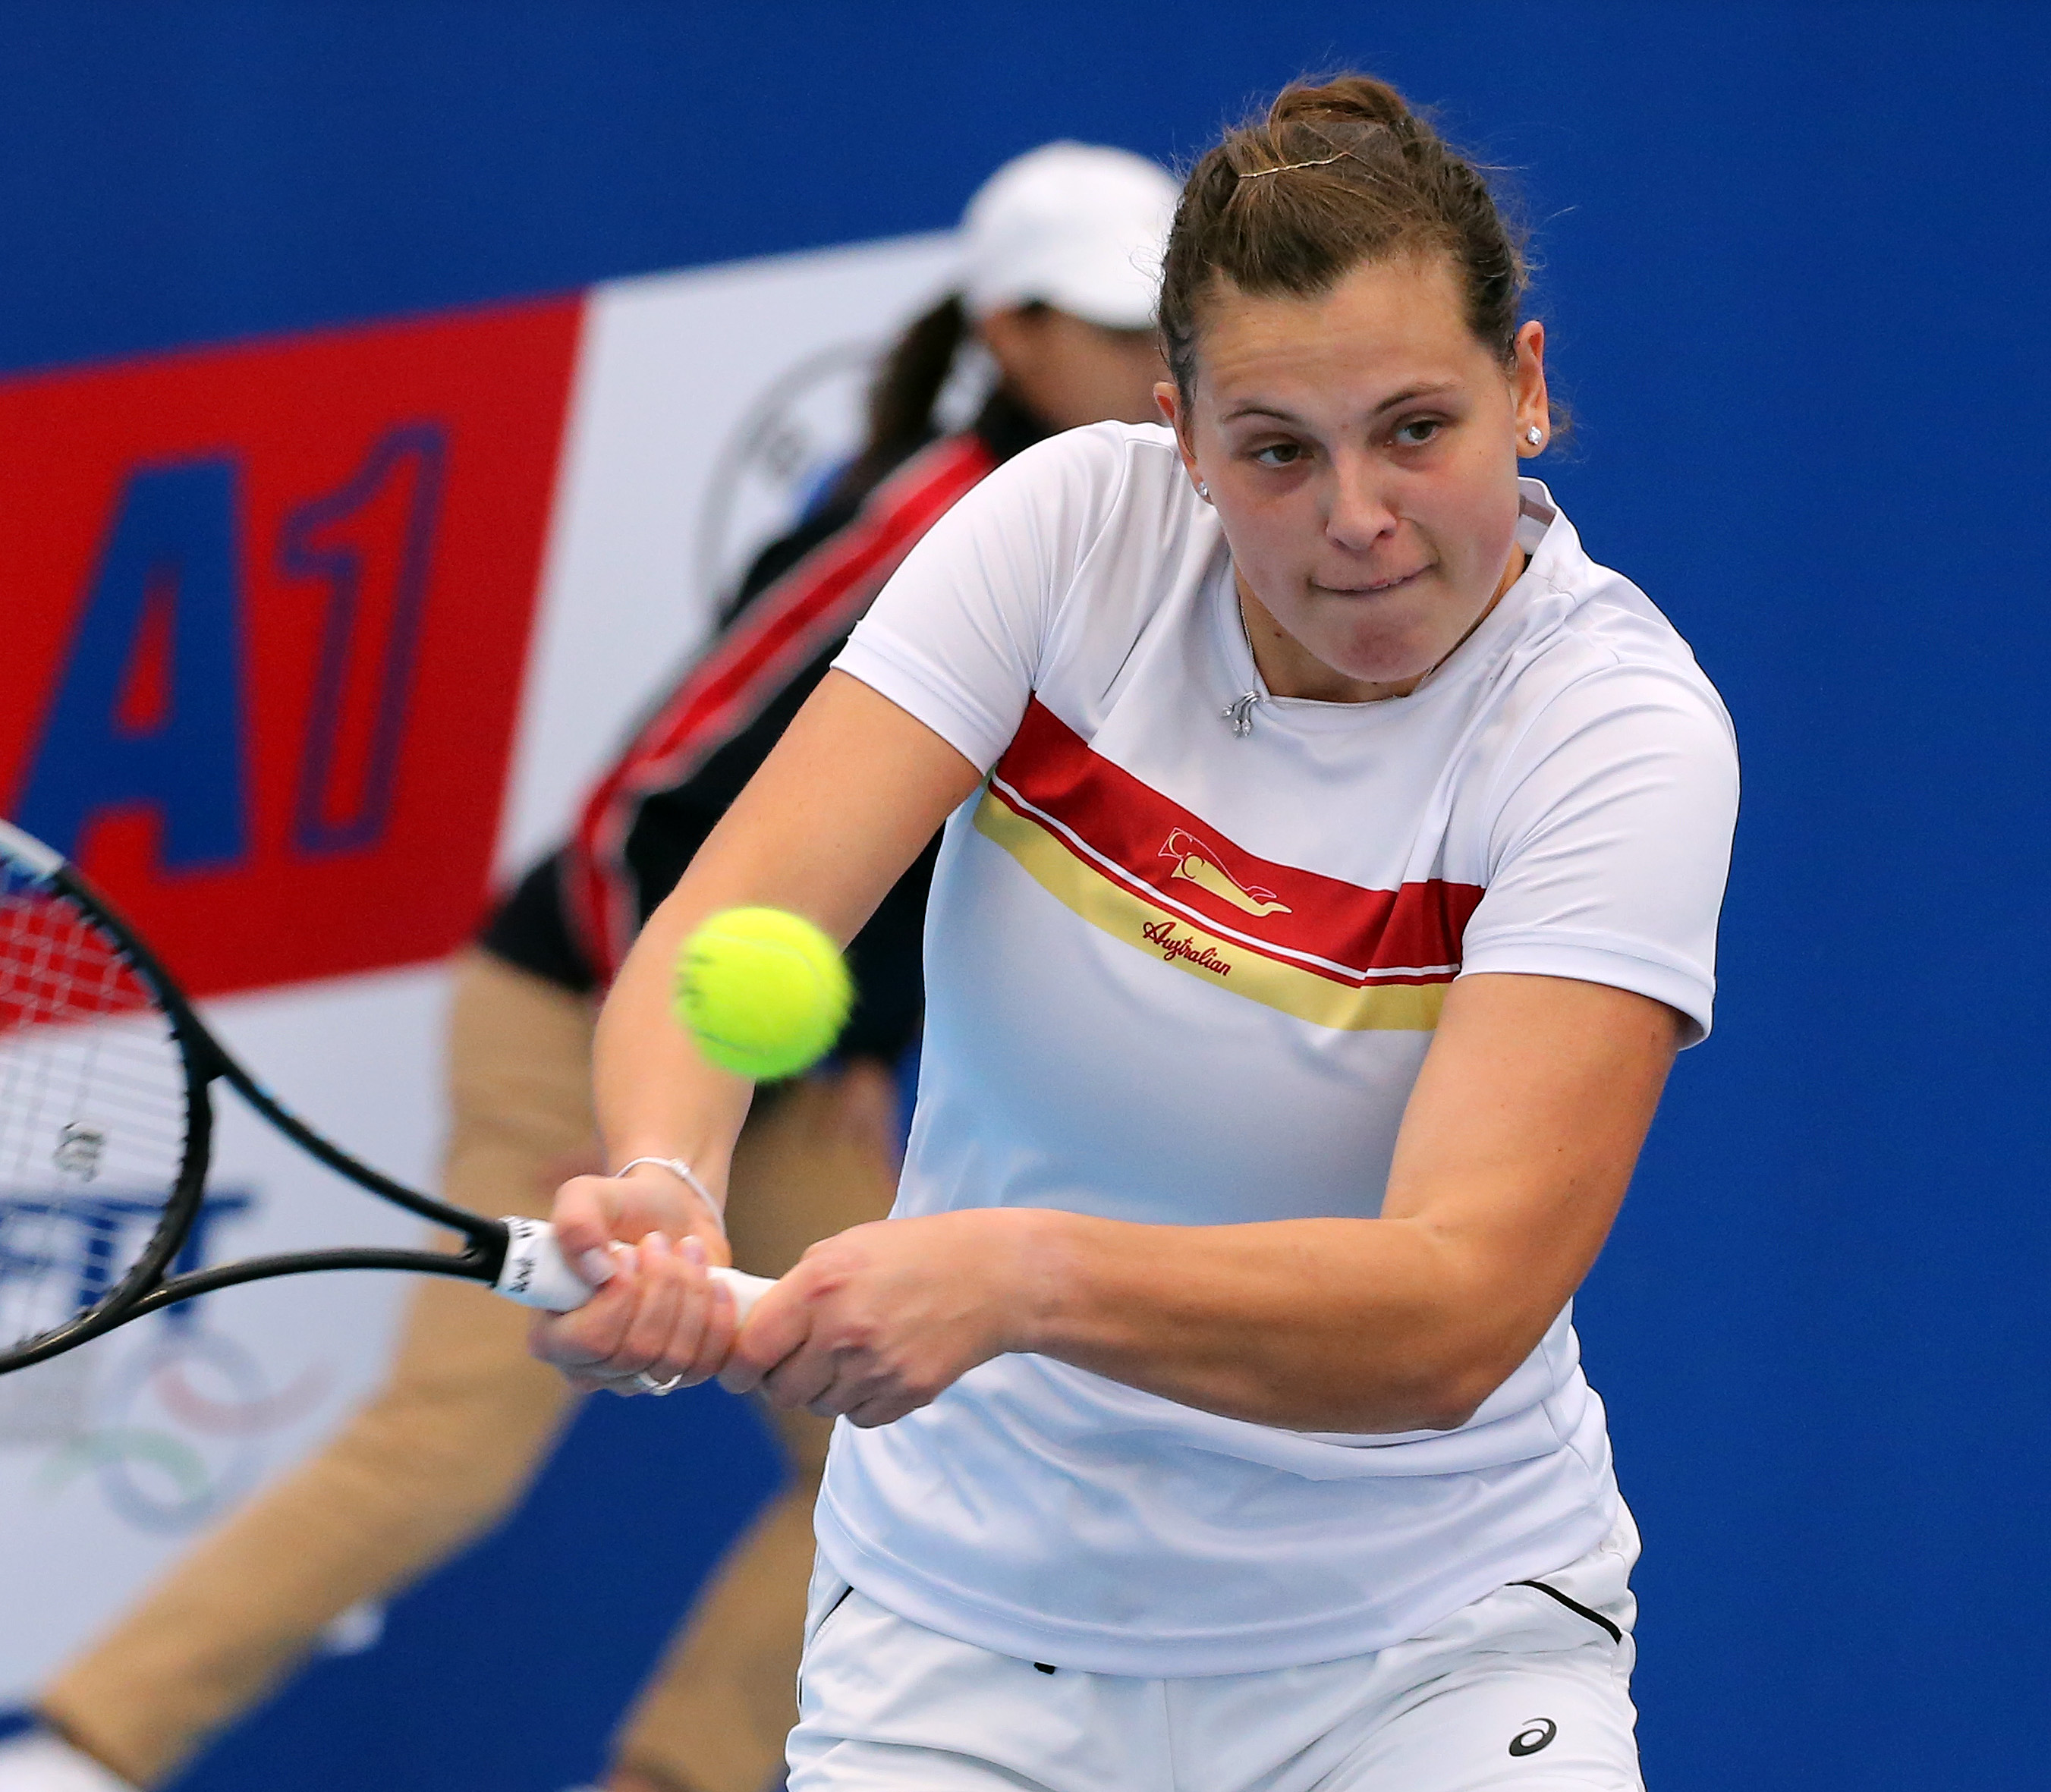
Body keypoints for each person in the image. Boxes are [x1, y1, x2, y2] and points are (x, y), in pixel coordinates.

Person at [535, 74, 1735, 1792]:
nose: (1356, 516)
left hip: (1427, 1653)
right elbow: (736, 916)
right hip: (954, 1642)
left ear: (1524, 389)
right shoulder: (1058, 530)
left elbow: (1454, 1303)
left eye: (1416, 427)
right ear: (1177, 436)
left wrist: (1022, 1274)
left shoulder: (1612, 737)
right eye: (1273, 449)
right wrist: (665, 1170)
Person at [0, 141, 1184, 1792]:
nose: (1152, 364)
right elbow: (641, 809)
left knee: (931, 1456)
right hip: (585, 1015)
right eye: (1115, 325)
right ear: (1014, 333)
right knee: (452, 1440)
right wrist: (651, 1104)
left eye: (1169, 324)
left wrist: (860, 1029)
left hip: (793, 1071)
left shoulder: (1124, 536)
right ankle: (74, 1755)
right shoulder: (921, 531)